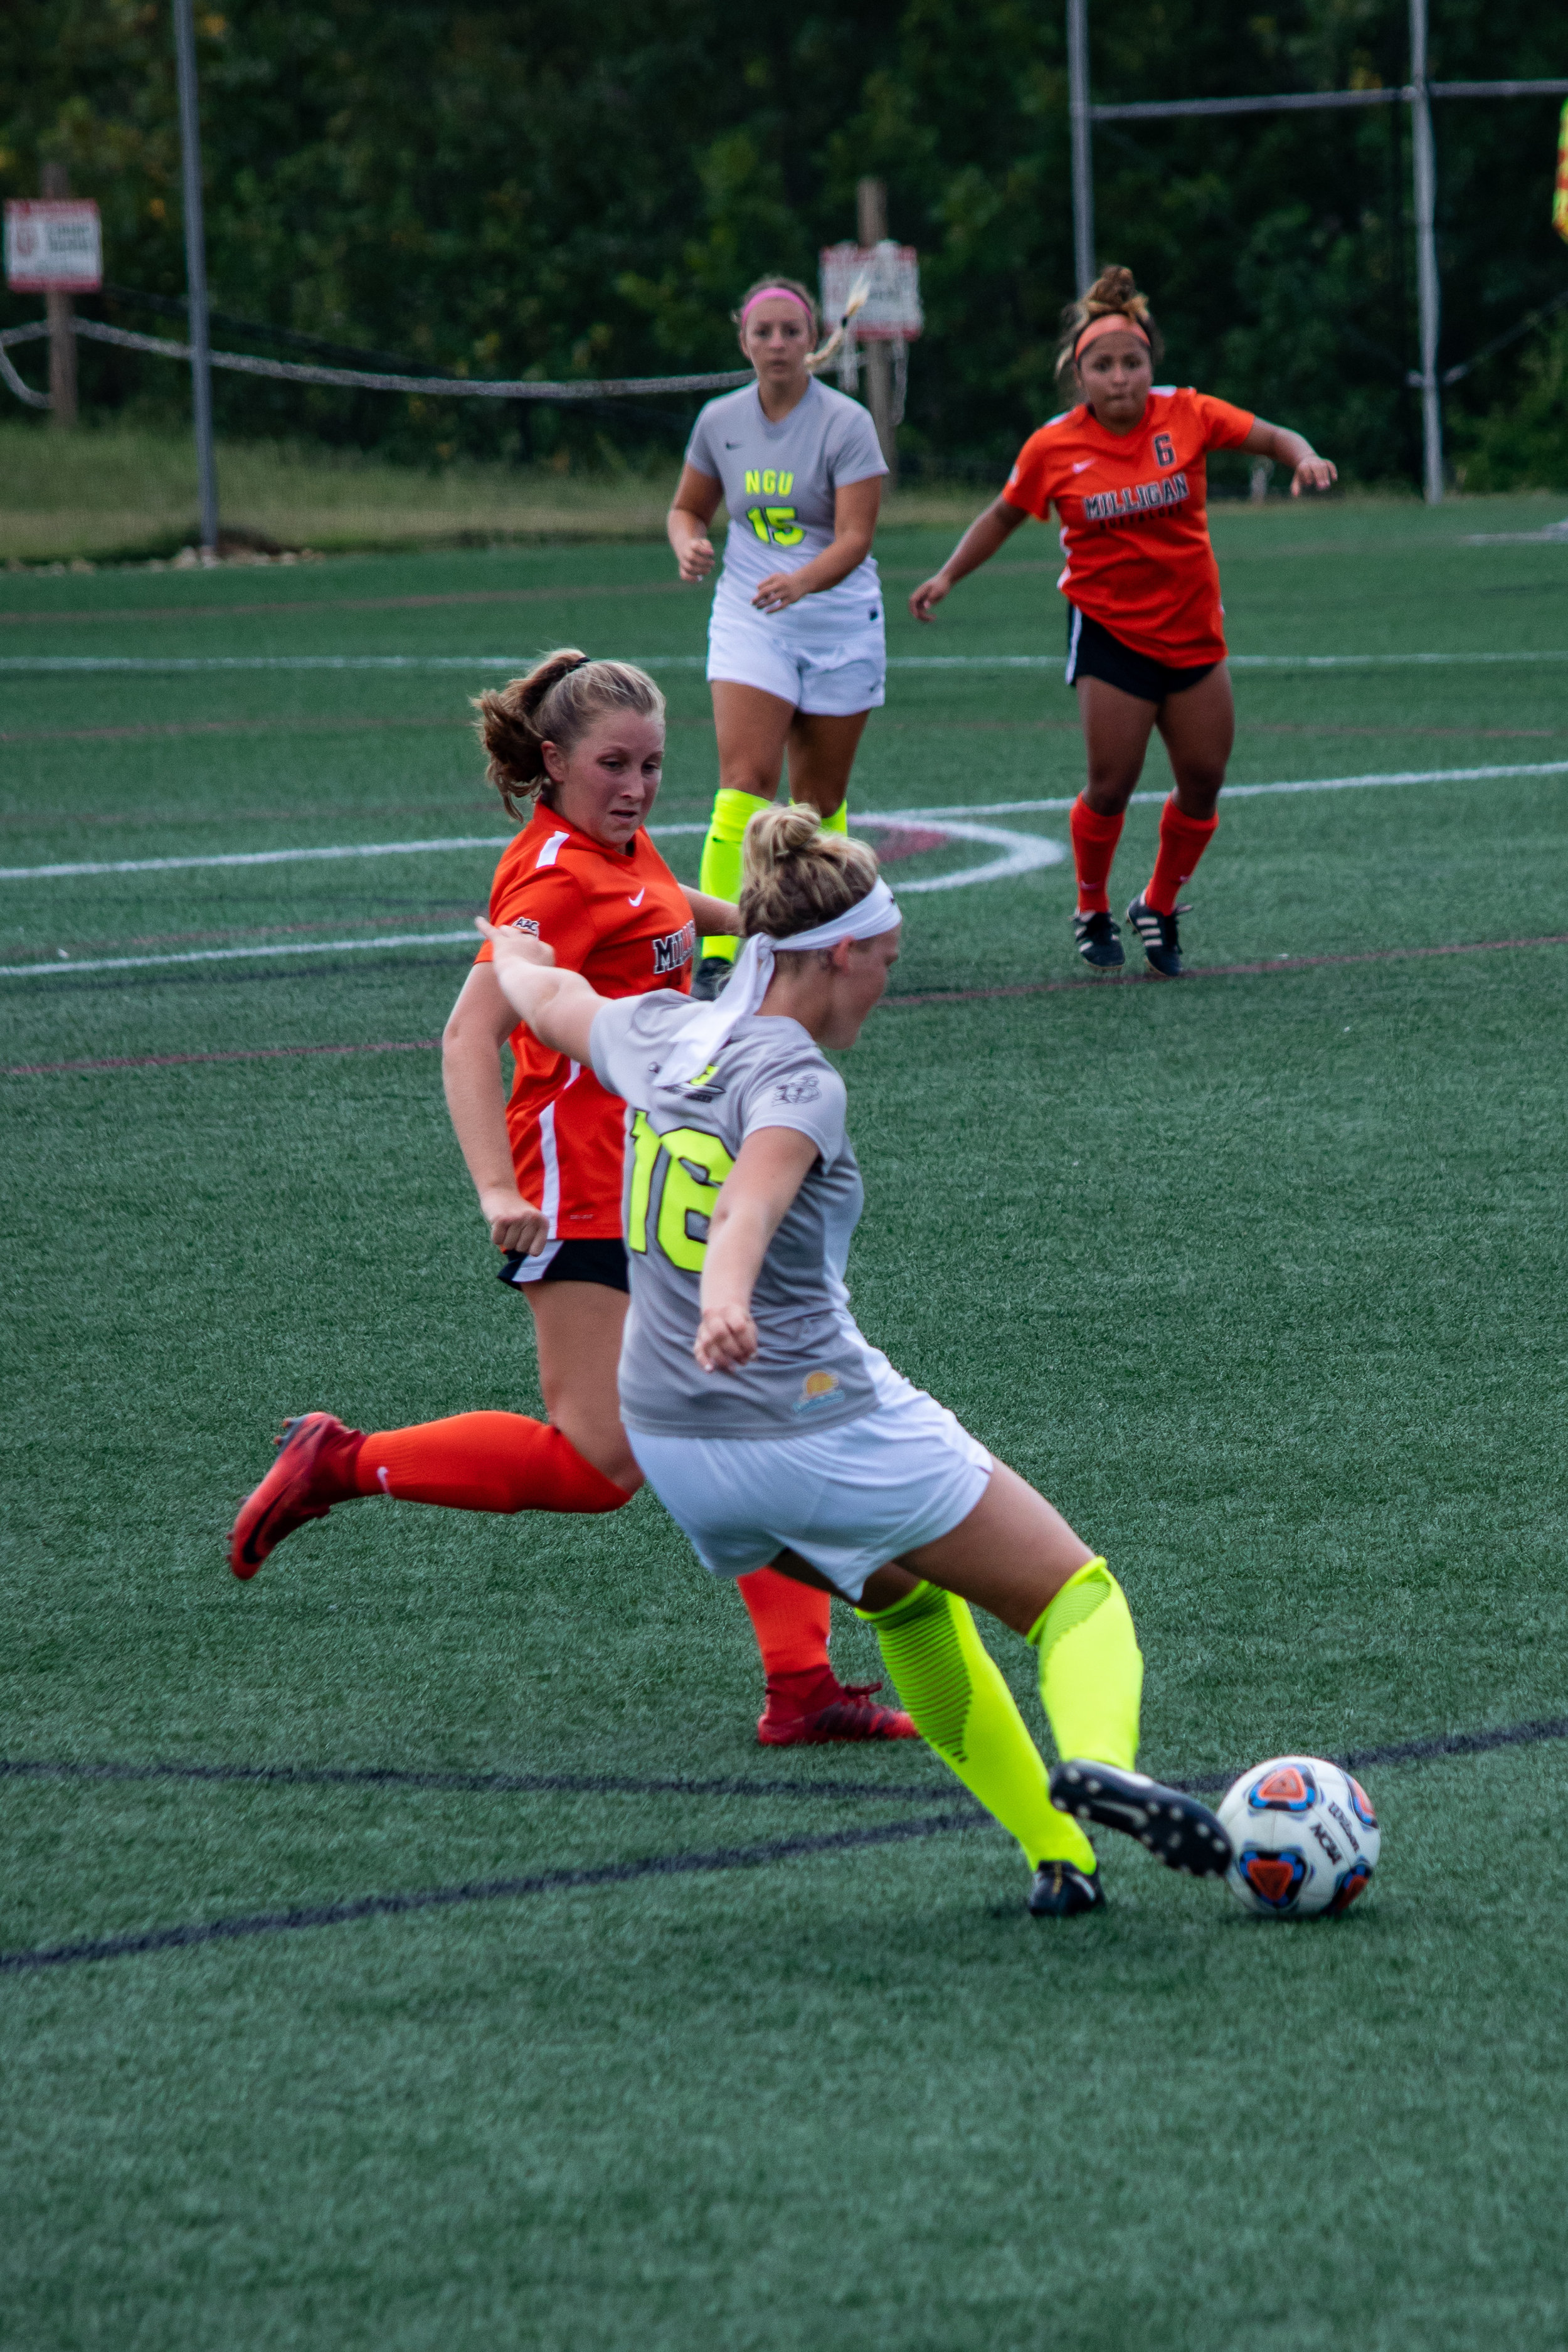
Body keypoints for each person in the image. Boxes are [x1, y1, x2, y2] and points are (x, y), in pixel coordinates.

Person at [475, 804, 1234, 1917]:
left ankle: (1059, 1857)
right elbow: (748, 1200)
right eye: (885, 960)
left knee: (911, 1610)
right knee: (1078, 1597)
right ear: (837, 955)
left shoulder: (659, 1029)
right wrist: (727, 1300)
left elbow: (552, 1000)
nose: (889, 981)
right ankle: (1108, 1764)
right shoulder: (800, 1085)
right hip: (808, 1426)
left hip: (679, 1448)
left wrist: (514, 950)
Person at [228, 650, 915, 1751]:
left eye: (651, 763)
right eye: (614, 765)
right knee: (598, 1465)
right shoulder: (547, 876)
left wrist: (792, 932)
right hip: (582, 1194)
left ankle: (803, 1689)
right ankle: (341, 1462)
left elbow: (677, 911)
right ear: (552, 764)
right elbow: (469, 1035)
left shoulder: (618, 847)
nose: (638, 786)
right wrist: (497, 1189)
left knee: (747, 1411)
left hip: (651, 1175)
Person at [909, 265, 1337, 978]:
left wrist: (1305, 455)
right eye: (1102, 366)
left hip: (1193, 628)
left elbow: (1272, 437)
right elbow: (1003, 514)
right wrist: (949, 574)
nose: (1119, 379)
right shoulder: (1053, 446)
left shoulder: (1189, 413)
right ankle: (1090, 905)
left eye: (1131, 363)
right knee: (1111, 784)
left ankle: (1159, 903)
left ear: (1150, 365)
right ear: (1079, 376)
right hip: (1109, 630)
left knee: (1203, 780)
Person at [668, 273, 888, 999]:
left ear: (811, 341)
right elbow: (687, 510)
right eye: (762, 332)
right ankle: (724, 945)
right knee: (744, 784)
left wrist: (803, 581)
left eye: (790, 332)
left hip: (836, 623)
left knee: (818, 801)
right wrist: (688, 542)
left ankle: (830, 929)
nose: (776, 344)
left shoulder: (845, 423)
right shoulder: (719, 420)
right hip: (749, 617)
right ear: (743, 340)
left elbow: (855, 537)